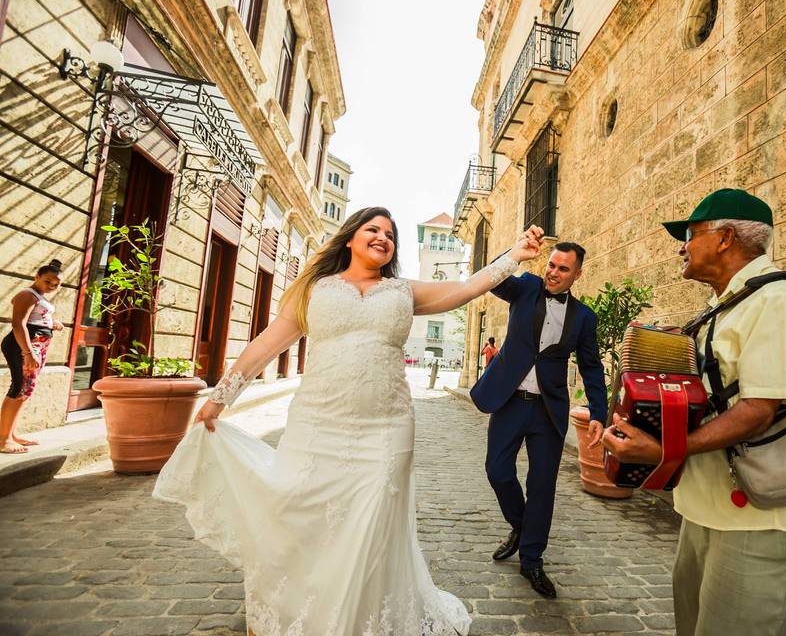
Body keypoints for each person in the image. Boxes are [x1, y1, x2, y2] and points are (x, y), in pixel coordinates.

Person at [154, 207, 544, 636]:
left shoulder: (402, 292)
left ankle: (354, 619)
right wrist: (221, 399)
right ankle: (291, 607)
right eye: (372, 229)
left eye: (390, 234)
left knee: (371, 523)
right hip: (317, 422)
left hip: (387, 428)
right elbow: (267, 343)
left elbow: (468, 287)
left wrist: (514, 256)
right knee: (297, 512)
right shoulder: (315, 288)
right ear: (350, 237)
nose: (382, 237)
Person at [603, 189, 786, 635]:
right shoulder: (725, 307)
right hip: (709, 508)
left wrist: (663, 449)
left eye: (690, 234)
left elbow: (758, 411)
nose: (681, 246)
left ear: (725, 237)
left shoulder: (781, 299)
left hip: (764, 516)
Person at [470, 238, 607, 598]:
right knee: (497, 471)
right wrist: (515, 254)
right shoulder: (526, 287)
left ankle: (532, 559)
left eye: (563, 269)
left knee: (542, 486)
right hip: (510, 401)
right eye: (551, 265)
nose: (553, 273)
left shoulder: (583, 318)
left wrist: (598, 412)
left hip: (548, 409)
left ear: (577, 274)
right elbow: (491, 278)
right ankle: (521, 525)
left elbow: (592, 368)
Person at [1, 259, 64, 454]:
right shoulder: (27, 295)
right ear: (36, 277)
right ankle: (3, 440)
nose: (52, 286)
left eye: (56, 284)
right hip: (23, 347)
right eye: (48, 282)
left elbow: (36, 319)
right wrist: (27, 353)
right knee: (19, 387)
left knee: (25, 390)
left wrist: (51, 322)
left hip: (35, 347)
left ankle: (11, 434)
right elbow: (19, 324)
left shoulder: (39, 296)